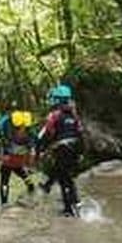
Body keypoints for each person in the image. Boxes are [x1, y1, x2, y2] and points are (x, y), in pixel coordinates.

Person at [37, 84, 83, 217]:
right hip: (74, 149)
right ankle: (74, 202)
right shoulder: (74, 116)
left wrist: (40, 149)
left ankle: (69, 209)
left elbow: (47, 134)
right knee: (65, 174)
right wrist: (81, 152)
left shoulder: (54, 116)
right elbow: (80, 134)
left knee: (64, 179)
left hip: (62, 149)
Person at [0, 110, 36, 206]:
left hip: (8, 157)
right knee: (22, 173)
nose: (21, 130)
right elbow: (33, 148)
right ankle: (32, 191)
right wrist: (30, 161)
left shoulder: (6, 128)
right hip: (18, 158)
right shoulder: (28, 131)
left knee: (5, 179)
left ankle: (4, 203)